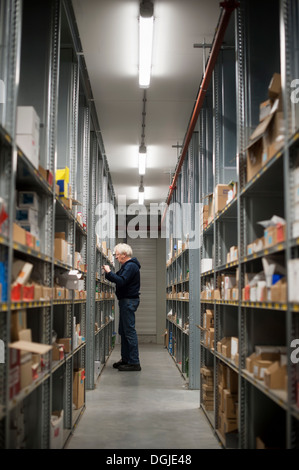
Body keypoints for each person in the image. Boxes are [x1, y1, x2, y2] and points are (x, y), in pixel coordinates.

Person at [102, 243, 141, 371]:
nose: (116, 257)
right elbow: (117, 277)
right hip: (125, 301)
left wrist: (108, 271)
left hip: (128, 301)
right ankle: (126, 359)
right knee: (123, 332)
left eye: (117, 255)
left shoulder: (130, 266)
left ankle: (134, 362)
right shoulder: (126, 266)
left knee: (129, 331)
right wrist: (107, 273)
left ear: (124, 255)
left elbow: (121, 281)